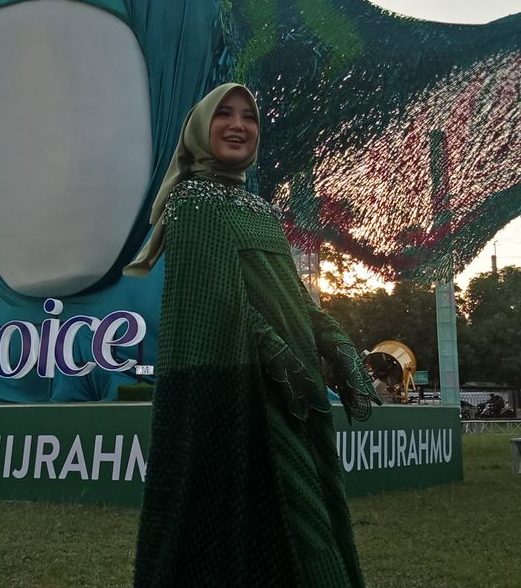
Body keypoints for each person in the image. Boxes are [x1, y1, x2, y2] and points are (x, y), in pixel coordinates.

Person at [126, 83, 381, 588]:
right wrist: (277, 354)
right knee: (278, 523)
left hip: (292, 395)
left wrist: (337, 344)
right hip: (240, 397)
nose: (239, 126)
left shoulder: (260, 210)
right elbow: (217, 304)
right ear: (200, 128)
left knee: (305, 518)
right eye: (224, 114)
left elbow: (295, 297)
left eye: (250, 117)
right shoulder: (193, 203)